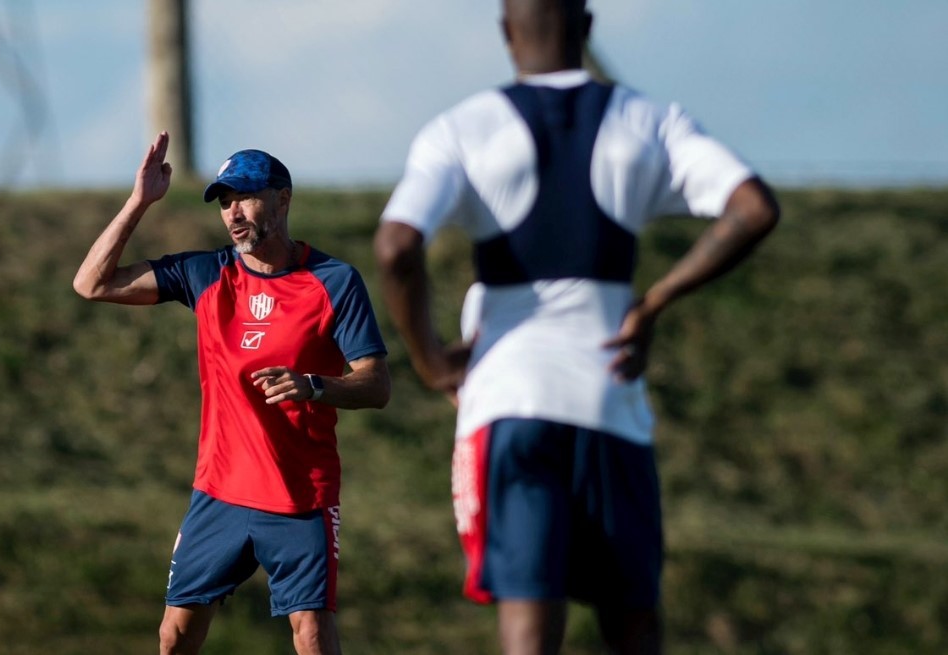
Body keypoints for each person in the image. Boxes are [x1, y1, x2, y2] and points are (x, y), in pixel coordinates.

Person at [373, 1, 780, 653]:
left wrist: (429, 362)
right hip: (609, 400)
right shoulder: (648, 120)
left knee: (529, 625)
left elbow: (396, 247)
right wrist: (654, 302)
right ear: (588, 27)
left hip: (510, 403)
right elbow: (754, 207)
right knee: (633, 623)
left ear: (506, 33)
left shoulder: (464, 127)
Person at [74, 132, 390, 655]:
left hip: (299, 498)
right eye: (224, 202)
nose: (233, 213)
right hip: (219, 494)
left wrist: (315, 386)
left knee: (311, 636)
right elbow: (91, 284)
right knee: (175, 637)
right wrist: (139, 202)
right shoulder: (206, 274)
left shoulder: (333, 281)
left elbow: (377, 385)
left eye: (244, 197)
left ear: (283, 199)